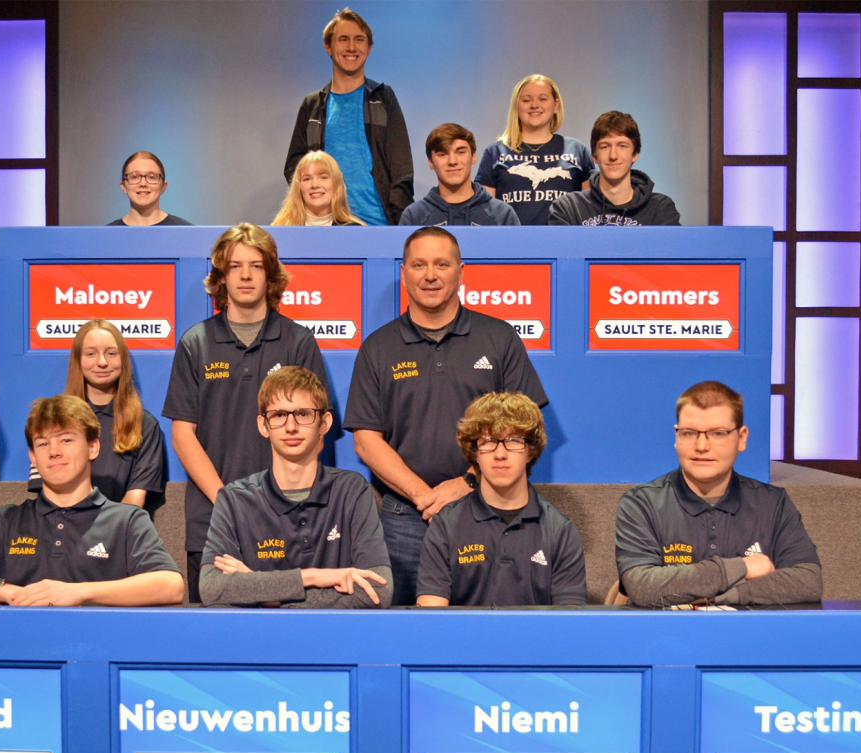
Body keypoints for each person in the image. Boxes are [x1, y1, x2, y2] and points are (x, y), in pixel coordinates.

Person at [345, 226, 547, 605]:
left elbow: (526, 428)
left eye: (441, 264)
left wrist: (466, 483)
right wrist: (424, 496)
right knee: (407, 633)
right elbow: (366, 441)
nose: (430, 275)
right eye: (419, 264)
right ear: (404, 272)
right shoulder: (378, 347)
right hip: (404, 516)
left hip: (489, 507)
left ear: (461, 272)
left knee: (489, 630)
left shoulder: (499, 338)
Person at [164, 223, 327, 604]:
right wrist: (227, 502)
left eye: (255, 265)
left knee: (291, 641)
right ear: (221, 276)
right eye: (235, 266)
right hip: (212, 519)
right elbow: (183, 435)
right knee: (213, 646)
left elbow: (314, 430)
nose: (246, 275)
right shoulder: (195, 343)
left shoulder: (298, 341)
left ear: (270, 274)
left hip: (287, 518)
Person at [0, 396, 184, 606]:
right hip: (21, 657)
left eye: (67, 439)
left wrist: (78, 593)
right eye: (43, 443)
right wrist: (6, 592)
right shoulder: (7, 520)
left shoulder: (127, 520)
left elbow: (170, 585)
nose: (54, 451)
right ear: (33, 457)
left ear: (93, 448)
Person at [614, 381, 822, 607]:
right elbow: (643, 587)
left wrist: (719, 597)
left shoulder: (773, 503)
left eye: (718, 433)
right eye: (689, 433)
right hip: (667, 638)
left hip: (749, 636)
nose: (701, 446)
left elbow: (808, 581)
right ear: (676, 436)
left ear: (741, 438)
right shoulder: (641, 504)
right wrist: (742, 567)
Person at [200, 367, 392, 608]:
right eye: (279, 415)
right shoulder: (233, 499)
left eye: (303, 413)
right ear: (263, 425)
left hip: (334, 641)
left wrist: (264, 596)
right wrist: (311, 577)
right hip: (261, 642)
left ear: (324, 422)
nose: (291, 427)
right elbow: (211, 589)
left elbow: (377, 591)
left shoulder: (352, 491)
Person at [417, 393, 586, 607]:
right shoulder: (445, 525)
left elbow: (569, 624)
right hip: (464, 640)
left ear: (530, 451)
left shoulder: (560, 531)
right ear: (475, 452)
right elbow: (432, 622)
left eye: (513, 441)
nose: (500, 454)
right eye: (488, 441)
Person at [284, 8, 413, 226]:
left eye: (359, 39)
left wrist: (399, 227)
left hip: (378, 225)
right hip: (326, 227)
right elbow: (295, 168)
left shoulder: (383, 98)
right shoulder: (312, 106)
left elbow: (401, 171)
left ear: (369, 48)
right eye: (343, 39)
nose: (351, 47)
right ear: (328, 47)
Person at [27, 320, 166, 511]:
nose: (102, 362)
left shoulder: (144, 424)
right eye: (91, 354)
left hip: (120, 533)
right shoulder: (52, 421)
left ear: (123, 360)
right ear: (78, 360)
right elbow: (48, 494)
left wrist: (103, 535)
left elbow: (135, 498)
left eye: (111, 353)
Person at [475, 74, 594, 226]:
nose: (534, 105)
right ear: (516, 106)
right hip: (510, 245)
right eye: (526, 100)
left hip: (564, 244)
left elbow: (589, 212)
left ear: (556, 105)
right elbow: (485, 213)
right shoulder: (496, 151)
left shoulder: (577, 150)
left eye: (543, 99)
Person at [549, 111, 681, 227]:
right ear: (594, 156)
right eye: (605, 147)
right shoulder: (568, 209)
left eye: (622, 146)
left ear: (635, 154)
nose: (613, 156)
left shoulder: (660, 209)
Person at [400, 123, 520, 227]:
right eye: (442, 154)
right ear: (431, 162)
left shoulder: (502, 215)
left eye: (461, 152)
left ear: (473, 156)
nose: (453, 161)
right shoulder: (414, 217)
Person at [272, 150, 366, 226]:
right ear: (299, 187)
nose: (315, 185)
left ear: (336, 184)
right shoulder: (281, 230)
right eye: (307, 179)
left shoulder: (355, 232)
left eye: (323, 178)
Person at [109, 151, 192, 227]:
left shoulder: (186, 232)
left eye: (151, 177)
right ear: (123, 186)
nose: (143, 184)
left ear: (163, 186)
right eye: (134, 177)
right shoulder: (106, 236)